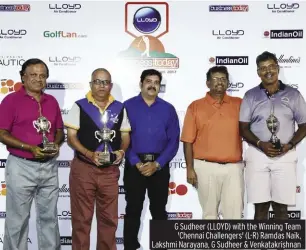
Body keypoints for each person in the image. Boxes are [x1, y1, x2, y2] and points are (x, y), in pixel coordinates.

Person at [0, 58, 64, 250]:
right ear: (23, 77)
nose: (38, 79)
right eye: (33, 75)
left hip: (49, 166)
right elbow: (2, 133)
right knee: (17, 220)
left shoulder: (51, 101)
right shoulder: (11, 100)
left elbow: (59, 130)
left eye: (42, 75)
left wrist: (55, 143)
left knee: (49, 219)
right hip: (21, 166)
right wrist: (29, 148)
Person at [64, 68, 131, 250]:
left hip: (110, 171)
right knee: (81, 220)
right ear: (91, 84)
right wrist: (88, 154)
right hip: (84, 169)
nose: (101, 85)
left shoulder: (120, 107)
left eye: (105, 82)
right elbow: (71, 137)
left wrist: (121, 152)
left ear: (110, 85)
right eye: (97, 81)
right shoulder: (79, 106)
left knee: (109, 220)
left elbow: (125, 137)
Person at [239, 51, 306, 219]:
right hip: (257, 153)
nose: (268, 71)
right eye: (263, 68)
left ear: (278, 67)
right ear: (258, 72)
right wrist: (261, 144)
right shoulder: (250, 95)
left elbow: (304, 126)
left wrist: (289, 145)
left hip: (285, 154)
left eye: (271, 66)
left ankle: (279, 243)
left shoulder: (293, 94)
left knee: (281, 208)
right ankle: (259, 243)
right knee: (260, 207)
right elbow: (243, 128)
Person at [123, 69, 180, 250]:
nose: (152, 85)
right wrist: (136, 162)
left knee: (159, 211)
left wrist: (157, 164)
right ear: (141, 84)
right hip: (134, 166)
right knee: (133, 210)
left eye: (156, 82)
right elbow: (122, 139)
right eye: (149, 81)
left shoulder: (168, 109)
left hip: (159, 167)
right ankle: (130, 247)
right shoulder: (127, 107)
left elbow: (173, 141)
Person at [181, 66, 244, 219]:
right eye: (215, 79)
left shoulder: (240, 104)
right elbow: (187, 141)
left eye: (223, 79)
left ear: (228, 83)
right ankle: (210, 244)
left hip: (234, 168)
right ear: (208, 83)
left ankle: (232, 244)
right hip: (205, 167)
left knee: (235, 215)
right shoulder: (195, 106)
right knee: (209, 215)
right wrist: (189, 168)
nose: (219, 82)